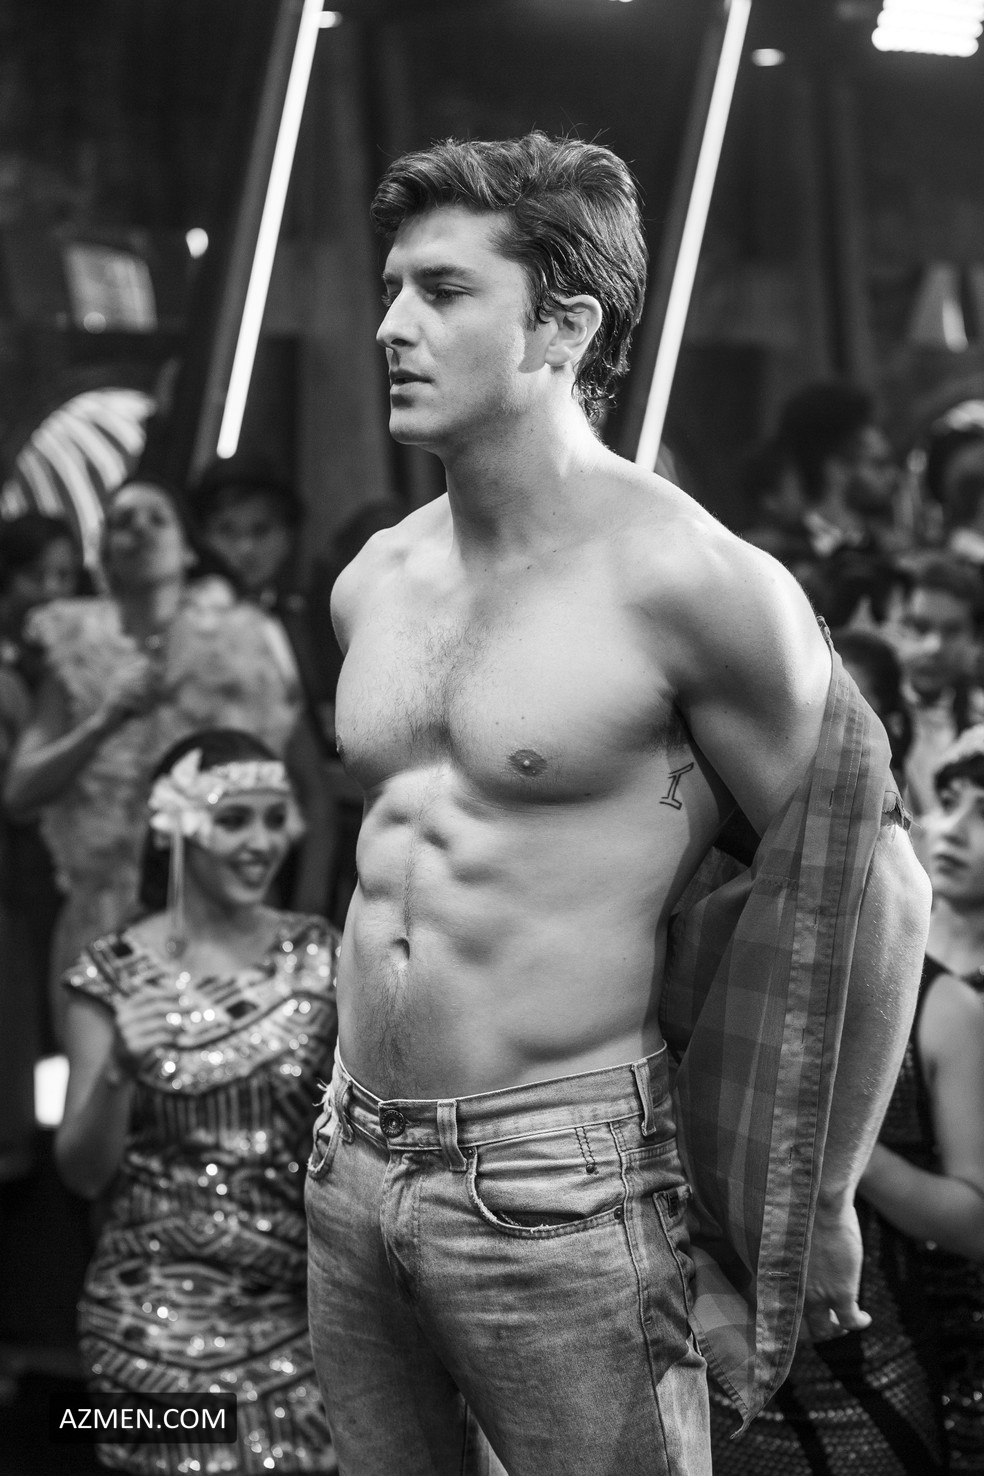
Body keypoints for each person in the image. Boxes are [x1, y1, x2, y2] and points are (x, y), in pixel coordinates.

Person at [302, 131, 930, 1476]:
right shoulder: (375, 578)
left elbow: (878, 881)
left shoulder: (690, 579)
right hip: (349, 1148)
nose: (391, 325)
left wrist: (820, 1193)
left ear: (565, 327)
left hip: (561, 1172)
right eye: (393, 286)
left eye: (443, 290)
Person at [56, 727, 340, 1475]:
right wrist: (119, 1070)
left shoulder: (322, 956)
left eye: (275, 819)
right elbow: (81, 1174)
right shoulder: (112, 972)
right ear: (176, 829)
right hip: (149, 1312)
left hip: (305, 1307)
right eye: (234, 820)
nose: (261, 843)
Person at [3, 477, 334, 1037]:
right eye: (121, 521)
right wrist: (104, 720)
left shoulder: (245, 642)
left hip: (225, 915)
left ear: (187, 548)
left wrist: (301, 925)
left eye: (156, 518)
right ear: (104, 554)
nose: (139, 530)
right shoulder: (75, 652)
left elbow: (313, 799)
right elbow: (19, 795)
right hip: (105, 917)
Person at [902, 726, 984, 1471]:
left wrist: (840, 1149)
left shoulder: (959, 1006)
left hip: (953, 1338)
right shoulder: (886, 951)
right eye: (951, 800)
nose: (952, 828)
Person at [194, 459, 339, 752]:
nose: (245, 548)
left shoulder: (306, 618)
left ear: (288, 538)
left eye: (261, 530)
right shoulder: (191, 621)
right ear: (202, 538)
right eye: (226, 530)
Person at [889, 555, 984, 822]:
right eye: (919, 627)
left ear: (976, 639)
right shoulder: (866, 714)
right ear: (895, 626)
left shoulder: (981, 720)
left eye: (952, 631)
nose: (934, 646)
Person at [775, 380, 900, 557]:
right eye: (878, 464)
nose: (894, 475)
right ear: (836, 467)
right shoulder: (777, 554)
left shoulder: (892, 549)